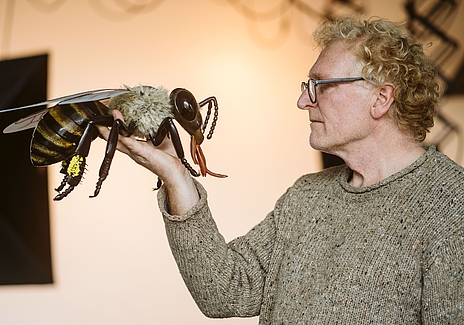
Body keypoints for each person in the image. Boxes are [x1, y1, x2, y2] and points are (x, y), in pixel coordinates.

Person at [99, 16, 464, 324]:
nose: (303, 100)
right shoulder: (307, 195)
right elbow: (226, 292)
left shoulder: (451, 207)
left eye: (320, 86)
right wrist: (175, 174)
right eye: (308, 86)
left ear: (381, 98)